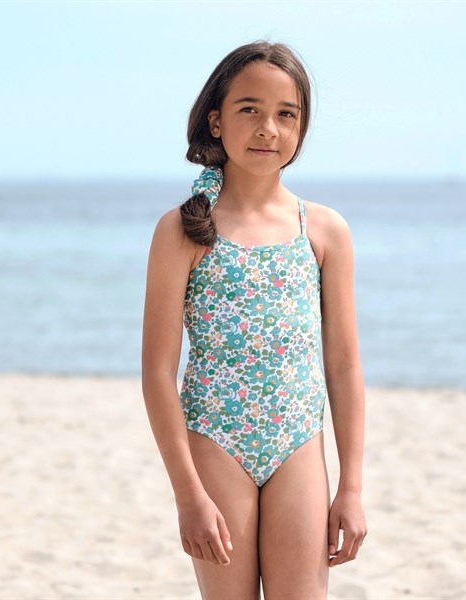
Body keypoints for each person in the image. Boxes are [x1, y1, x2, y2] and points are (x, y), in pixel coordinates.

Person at [142, 40, 367, 600]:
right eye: (250, 109)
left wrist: (351, 486)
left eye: (286, 114)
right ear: (216, 120)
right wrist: (188, 494)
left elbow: (343, 366)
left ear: (301, 127)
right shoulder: (182, 231)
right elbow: (157, 373)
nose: (268, 128)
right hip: (215, 442)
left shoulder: (324, 231)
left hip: (298, 442)